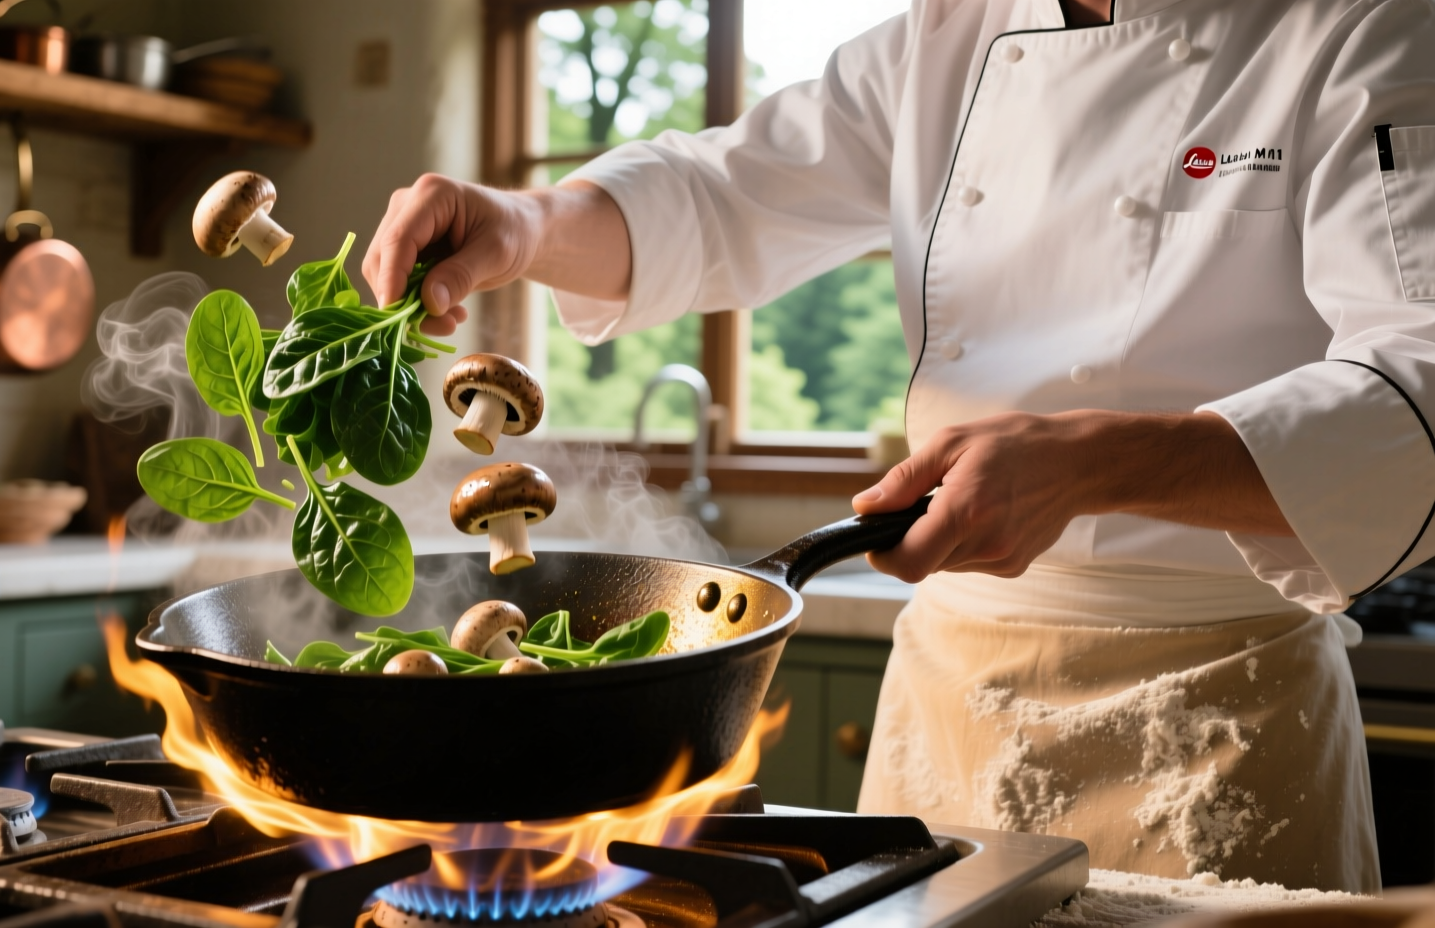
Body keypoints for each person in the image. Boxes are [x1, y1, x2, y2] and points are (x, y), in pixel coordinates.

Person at [365, 0, 1435, 893]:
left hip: (1221, 714)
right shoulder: (954, 28)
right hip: (949, 704)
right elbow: (725, 190)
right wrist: (528, 222)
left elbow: (1418, 381)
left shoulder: (1355, 22)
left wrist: (1095, 461)